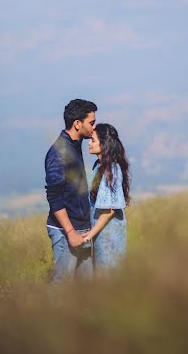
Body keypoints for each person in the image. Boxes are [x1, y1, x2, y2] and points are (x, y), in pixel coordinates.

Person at [45, 98, 97, 282]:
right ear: (77, 124)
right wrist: (70, 233)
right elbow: (54, 196)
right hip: (66, 231)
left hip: (81, 229)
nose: (93, 128)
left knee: (84, 289)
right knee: (62, 287)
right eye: (91, 123)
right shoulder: (59, 153)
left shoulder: (74, 146)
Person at [83, 123, 131, 272]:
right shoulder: (99, 165)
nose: (89, 143)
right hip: (101, 232)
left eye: (93, 140)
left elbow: (109, 210)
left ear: (103, 143)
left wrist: (89, 235)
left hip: (109, 234)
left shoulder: (112, 169)